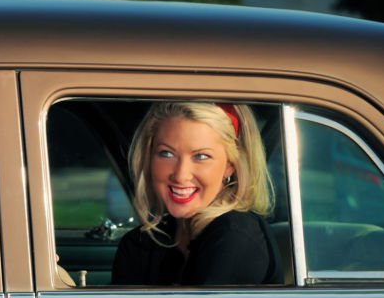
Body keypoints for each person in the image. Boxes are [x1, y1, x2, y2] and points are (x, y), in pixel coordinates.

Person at [111, 101, 282, 285]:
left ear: (231, 165)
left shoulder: (236, 234)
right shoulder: (140, 244)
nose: (180, 175)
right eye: (167, 154)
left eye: (201, 156)